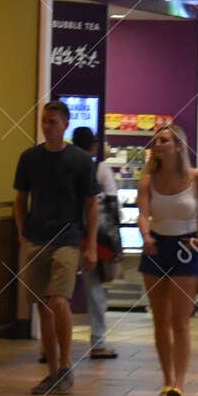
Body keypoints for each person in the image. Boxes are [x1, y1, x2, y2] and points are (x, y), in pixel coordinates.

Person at [14, 101, 99, 396]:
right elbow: (20, 198)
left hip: (68, 238)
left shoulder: (79, 161)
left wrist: (90, 246)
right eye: (43, 121)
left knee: (59, 300)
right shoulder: (29, 158)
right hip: (38, 238)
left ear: (65, 124)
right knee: (42, 305)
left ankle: (65, 365)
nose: (46, 126)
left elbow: (91, 203)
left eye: (52, 121)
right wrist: (23, 233)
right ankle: (52, 372)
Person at [135, 123, 198, 396]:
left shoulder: (197, 178)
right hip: (156, 247)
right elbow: (143, 213)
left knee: (179, 321)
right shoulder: (148, 180)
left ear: (179, 146)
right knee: (159, 319)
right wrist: (145, 235)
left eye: (164, 141)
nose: (157, 145)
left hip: (186, 248)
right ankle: (167, 381)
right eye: (155, 141)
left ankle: (180, 384)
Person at [73, 126, 120, 361]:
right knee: (95, 292)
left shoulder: (66, 165)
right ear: (93, 146)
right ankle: (98, 343)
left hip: (66, 234)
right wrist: (115, 241)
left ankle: (47, 346)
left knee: (57, 292)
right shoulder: (100, 168)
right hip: (95, 239)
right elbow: (112, 205)